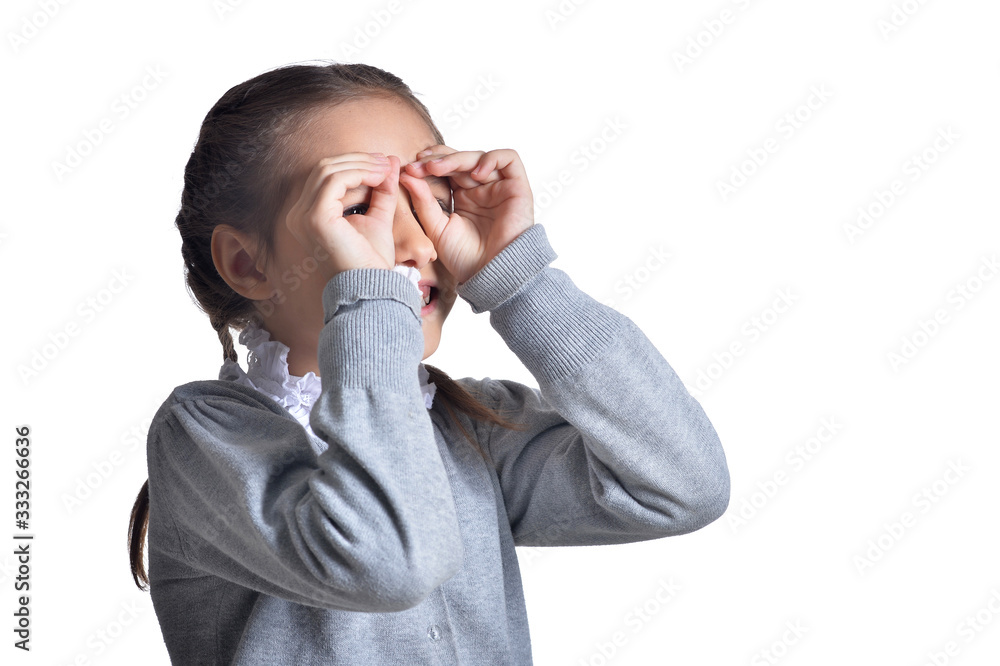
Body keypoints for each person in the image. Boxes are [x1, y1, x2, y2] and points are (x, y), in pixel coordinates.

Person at [126, 60, 731, 665]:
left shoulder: (468, 426)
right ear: (248, 264)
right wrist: (369, 298)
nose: (419, 243)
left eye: (433, 201)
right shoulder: (201, 437)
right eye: (360, 209)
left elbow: (683, 486)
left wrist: (518, 280)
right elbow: (389, 563)